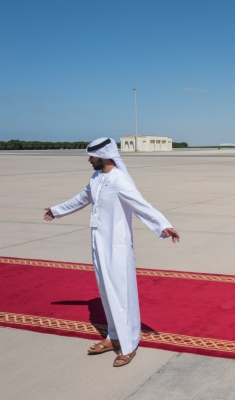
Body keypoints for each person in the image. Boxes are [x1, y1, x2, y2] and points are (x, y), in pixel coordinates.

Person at [43, 137, 180, 368]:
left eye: (92, 156)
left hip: (118, 246)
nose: (89, 160)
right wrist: (57, 210)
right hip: (98, 243)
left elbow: (141, 204)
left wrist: (163, 225)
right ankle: (114, 336)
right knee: (107, 293)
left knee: (122, 294)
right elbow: (82, 198)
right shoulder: (97, 177)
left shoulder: (119, 179)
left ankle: (129, 345)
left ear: (104, 155)